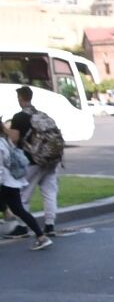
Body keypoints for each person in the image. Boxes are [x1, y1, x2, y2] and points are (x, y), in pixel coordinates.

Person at [12, 85, 63, 237]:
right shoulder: (42, 115)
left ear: (20, 99)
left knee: (23, 194)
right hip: (51, 159)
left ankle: (22, 227)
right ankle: (50, 225)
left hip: (32, 160)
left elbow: (14, 139)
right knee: (49, 192)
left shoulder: (19, 117)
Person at [1, 117, 52, 250]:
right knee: (20, 210)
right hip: (12, 182)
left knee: (18, 210)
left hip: (4, 183)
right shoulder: (6, 140)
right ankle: (41, 237)